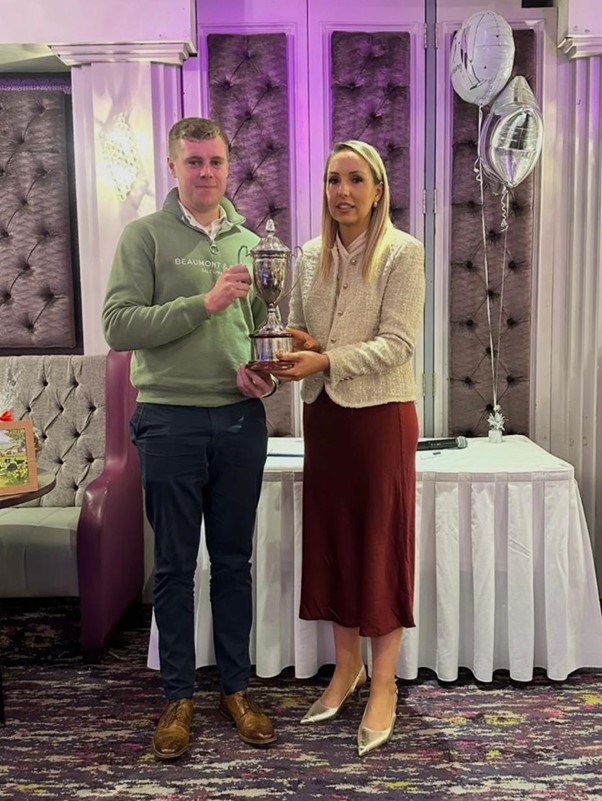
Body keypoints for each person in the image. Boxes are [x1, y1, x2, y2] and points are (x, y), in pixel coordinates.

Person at [101, 117, 278, 760]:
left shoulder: (251, 242)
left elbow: (264, 329)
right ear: (172, 167)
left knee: (234, 564)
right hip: (170, 419)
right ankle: (178, 696)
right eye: (194, 162)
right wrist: (201, 305)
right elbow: (119, 326)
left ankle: (236, 688)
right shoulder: (144, 236)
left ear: (230, 167)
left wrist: (265, 376)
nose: (206, 173)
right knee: (175, 567)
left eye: (216, 162)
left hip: (239, 420)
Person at [272, 140, 425, 757]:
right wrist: (300, 345)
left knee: (380, 543)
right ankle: (345, 669)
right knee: (334, 539)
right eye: (334, 179)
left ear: (378, 188)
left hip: (382, 417)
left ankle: (383, 680)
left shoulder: (403, 253)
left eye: (356, 180)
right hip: (325, 417)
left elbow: (398, 343)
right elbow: (313, 330)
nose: (343, 191)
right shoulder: (309, 256)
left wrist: (327, 356)